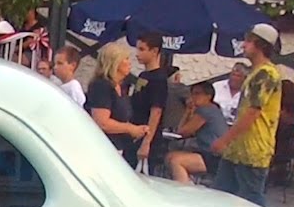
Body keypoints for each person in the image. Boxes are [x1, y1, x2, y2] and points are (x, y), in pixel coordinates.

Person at [209, 24, 282, 207]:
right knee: (221, 196)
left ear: (261, 45)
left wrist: (224, 139)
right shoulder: (254, 73)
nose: (243, 45)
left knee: (252, 202)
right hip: (237, 148)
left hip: (253, 149)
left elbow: (252, 113)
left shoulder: (266, 74)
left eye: (249, 41)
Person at [85, 40, 148, 167]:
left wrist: (137, 130)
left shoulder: (121, 86)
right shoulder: (101, 85)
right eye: (126, 59)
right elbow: (102, 122)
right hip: (102, 149)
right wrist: (130, 128)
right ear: (115, 62)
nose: (129, 63)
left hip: (118, 147)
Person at [165, 81, 228, 183]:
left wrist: (188, 111)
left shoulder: (206, 111)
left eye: (197, 94)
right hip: (207, 153)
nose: (193, 97)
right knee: (170, 156)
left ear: (208, 96)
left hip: (213, 156)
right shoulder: (211, 109)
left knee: (176, 161)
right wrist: (188, 110)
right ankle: (187, 181)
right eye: (192, 94)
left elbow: (183, 131)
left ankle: (183, 189)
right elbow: (181, 130)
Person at [130, 32, 168, 166]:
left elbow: (156, 111)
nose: (137, 54)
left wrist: (147, 142)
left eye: (142, 49)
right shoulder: (143, 75)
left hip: (147, 136)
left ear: (154, 51)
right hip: (135, 131)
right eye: (137, 49)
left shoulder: (159, 79)